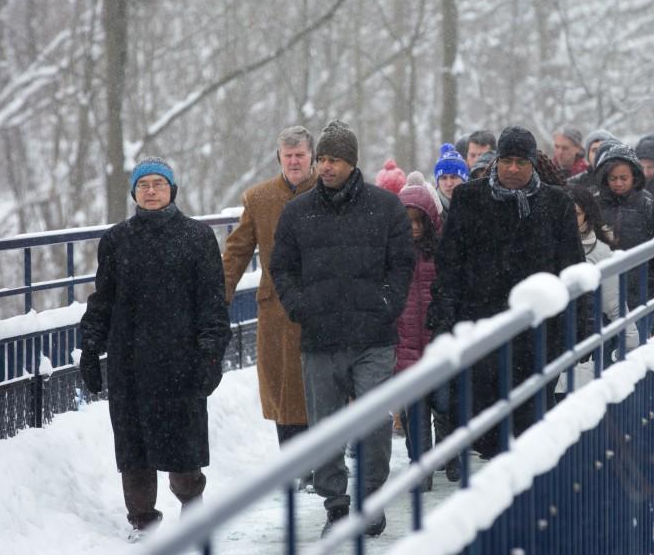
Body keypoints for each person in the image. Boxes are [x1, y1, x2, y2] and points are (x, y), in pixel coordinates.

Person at [270, 120, 414, 537]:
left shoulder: (385, 208)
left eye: (335, 159)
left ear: (352, 162)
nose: (326, 167)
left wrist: (387, 304)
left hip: (373, 335)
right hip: (320, 335)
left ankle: (371, 498)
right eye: (323, 159)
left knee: (374, 424)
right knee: (325, 427)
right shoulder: (297, 213)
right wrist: (299, 306)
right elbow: (282, 266)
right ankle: (336, 503)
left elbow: (401, 262)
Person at [78, 157, 232, 540]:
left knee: (183, 447)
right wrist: (90, 345)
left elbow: (212, 303)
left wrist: (211, 353)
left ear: (172, 190)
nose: (150, 190)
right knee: (134, 447)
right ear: (134, 192)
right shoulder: (116, 240)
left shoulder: (196, 238)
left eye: (158, 184)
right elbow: (104, 299)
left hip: (181, 359)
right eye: (143, 184)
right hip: (128, 359)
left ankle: (192, 510)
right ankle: (142, 520)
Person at [426, 126, 584, 459]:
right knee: (487, 432)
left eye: (521, 162)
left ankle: (526, 503)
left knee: (530, 428)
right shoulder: (470, 198)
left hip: (538, 334)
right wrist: (444, 318)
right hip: (483, 329)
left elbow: (572, 267)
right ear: (497, 160)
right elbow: (450, 263)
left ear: (533, 164)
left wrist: (577, 326)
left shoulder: (556, 204)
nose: (513, 169)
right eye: (507, 161)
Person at [221, 126, 317, 464]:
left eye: (300, 155)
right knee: (285, 390)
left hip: (323, 303)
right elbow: (236, 253)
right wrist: (219, 299)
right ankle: (295, 464)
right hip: (276, 306)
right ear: (279, 158)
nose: (293, 162)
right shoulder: (260, 199)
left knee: (323, 384)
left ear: (311, 157)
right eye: (288, 156)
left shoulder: (330, 191)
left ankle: (324, 462)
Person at [556, 185, 640, 398]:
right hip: (550, 341)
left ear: (587, 216)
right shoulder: (544, 244)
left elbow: (615, 303)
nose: (566, 218)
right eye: (562, 212)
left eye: (574, 213)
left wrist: (630, 342)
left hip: (581, 345)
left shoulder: (598, 252)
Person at [394, 184, 443, 491]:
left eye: (418, 221)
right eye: (407, 220)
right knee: (415, 406)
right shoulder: (394, 254)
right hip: (406, 338)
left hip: (434, 336)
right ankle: (420, 464)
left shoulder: (438, 254)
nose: (413, 227)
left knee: (441, 403)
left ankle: (444, 457)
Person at [592, 142, 654, 309]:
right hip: (603, 284)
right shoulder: (594, 204)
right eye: (613, 179)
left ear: (634, 177)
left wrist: (652, 281)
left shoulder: (648, 205)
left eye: (624, 178)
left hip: (640, 287)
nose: (618, 183)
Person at [433, 143, 469, 224]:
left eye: (454, 177)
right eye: (443, 178)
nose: (449, 183)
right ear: (437, 182)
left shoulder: (475, 204)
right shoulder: (430, 208)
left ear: (464, 180)